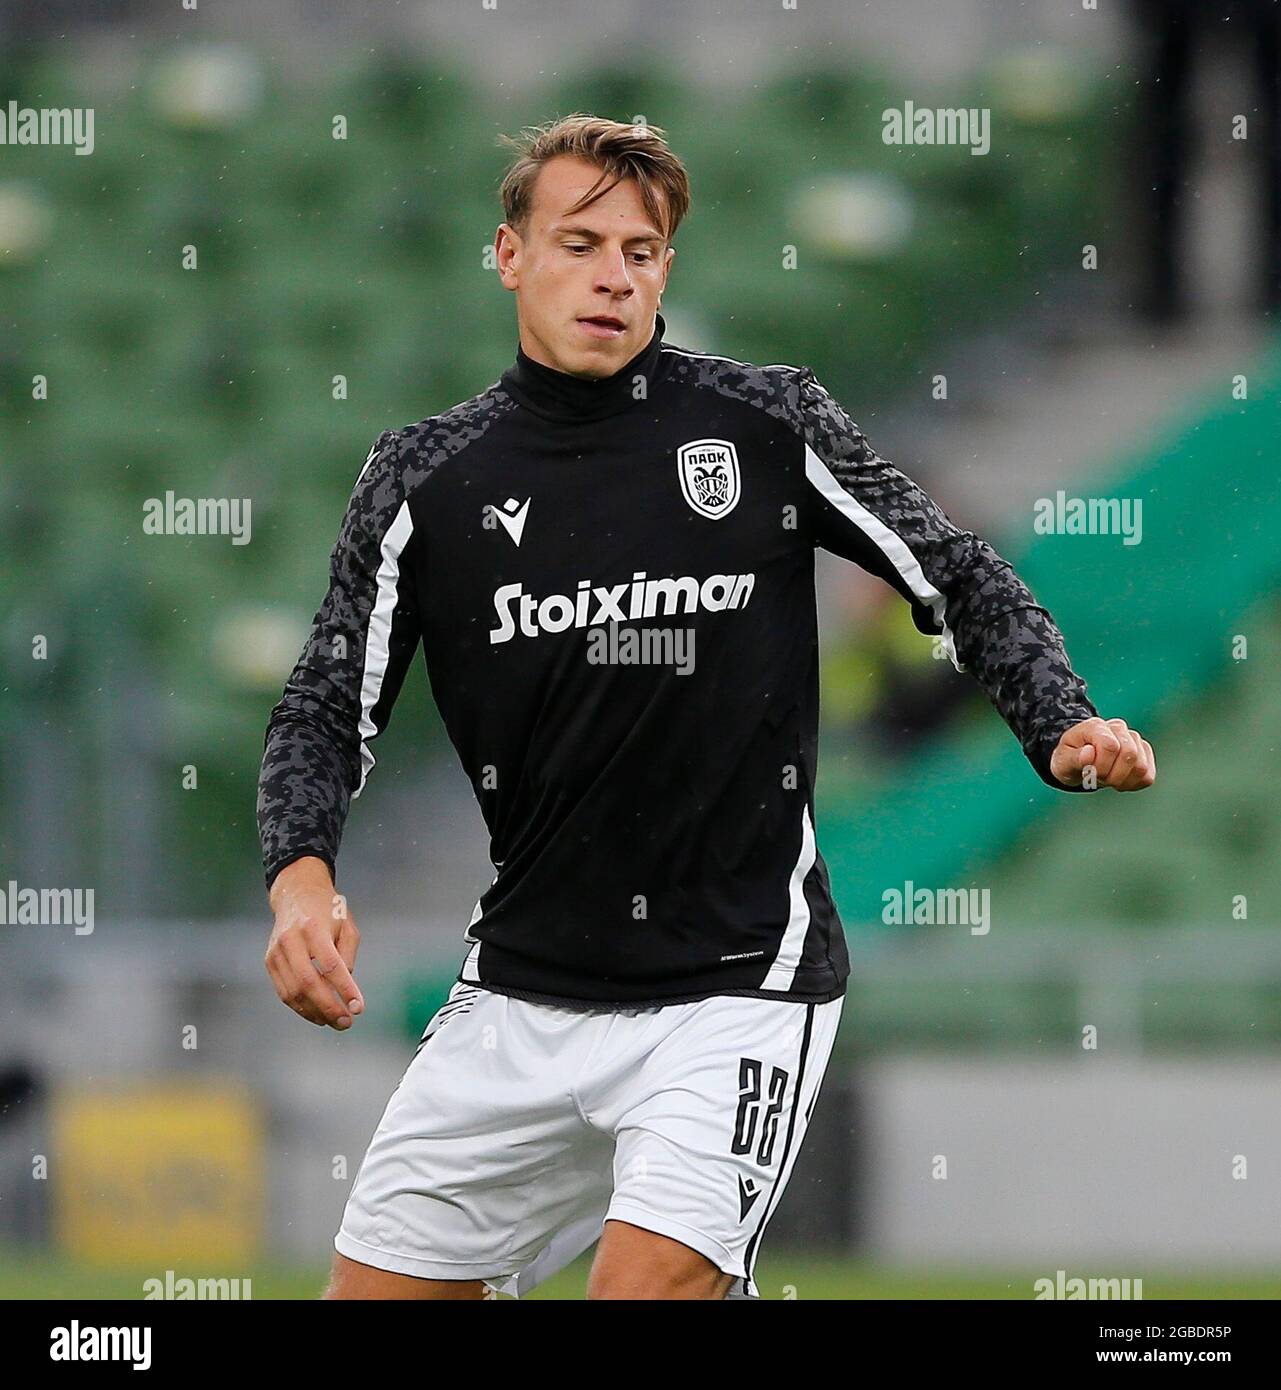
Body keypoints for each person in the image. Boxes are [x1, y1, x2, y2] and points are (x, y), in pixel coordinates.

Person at [256, 114, 1157, 1301]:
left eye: (640, 249)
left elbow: (957, 569)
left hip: (734, 986)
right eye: (579, 243)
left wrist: (1058, 721)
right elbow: (328, 700)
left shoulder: (764, 423)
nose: (612, 274)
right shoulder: (426, 476)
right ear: (509, 254)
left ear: (666, 270)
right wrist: (301, 875)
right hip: (519, 994)